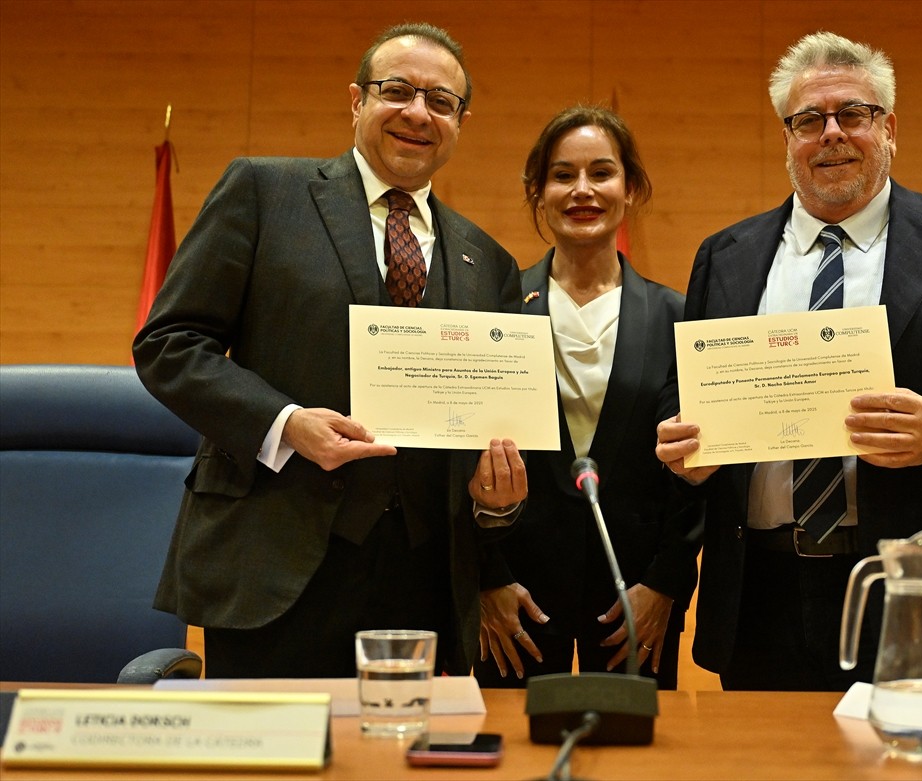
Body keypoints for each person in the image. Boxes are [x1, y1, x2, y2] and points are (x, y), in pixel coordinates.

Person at [655, 31, 922, 691]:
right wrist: (685, 448)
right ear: (788, 138)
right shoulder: (723, 255)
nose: (830, 132)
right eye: (808, 119)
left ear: (889, 128)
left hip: (910, 581)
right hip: (760, 589)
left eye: (853, 114)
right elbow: (683, 395)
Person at [133, 22, 528, 679]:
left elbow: (491, 423)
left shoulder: (489, 260)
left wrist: (496, 501)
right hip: (276, 561)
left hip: (423, 581)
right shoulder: (264, 193)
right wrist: (286, 424)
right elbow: (170, 343)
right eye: (397, 90)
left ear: (460, 122)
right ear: (356, 101)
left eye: (440, 101)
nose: (416, 113)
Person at [473, 106, 703, 690]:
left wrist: (667, 584)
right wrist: (485, 578)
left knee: (635, 762)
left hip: (636, 599)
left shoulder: (678, 317)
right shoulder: (492, 312)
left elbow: (699, 467)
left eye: (601, 173)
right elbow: (456, 455)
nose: (582, 190)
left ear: (630, 189)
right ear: (538, 192)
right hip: (515, 598)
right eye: (561, 175)